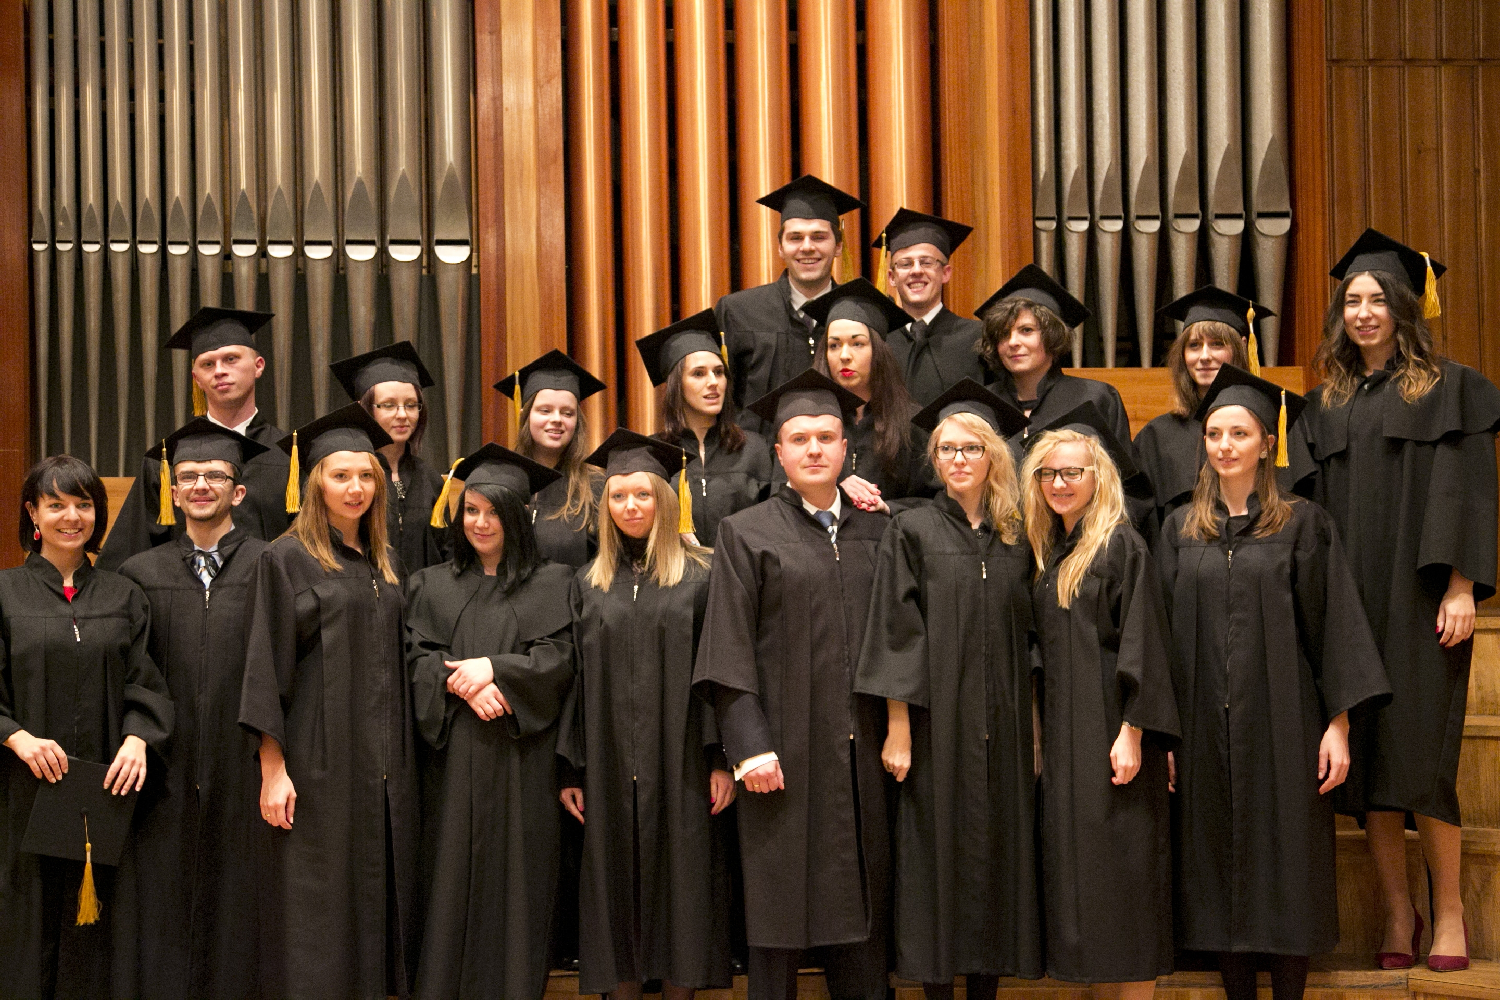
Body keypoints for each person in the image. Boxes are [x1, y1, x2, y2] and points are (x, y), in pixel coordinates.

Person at [1287, 230, 1500, 972]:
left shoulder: (1450, 387)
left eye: (1378, 299)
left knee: (1422, 765)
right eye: (1353, 300)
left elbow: (1469, 490)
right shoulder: (1325, 404)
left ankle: (1451, 912)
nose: (1364, 312)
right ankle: (1398, 910)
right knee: (1373, 764)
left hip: (1419, 601)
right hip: (1350, 603)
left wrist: (1463, 584)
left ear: (1406, 307)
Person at [1158, 366, 1391, 1000]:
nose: (1224, 445)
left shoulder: (1302, 524)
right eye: (1214, 434)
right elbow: (1160, 640)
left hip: (1286, 721)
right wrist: (1165, 734)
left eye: (1240, 433)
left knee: (1288, 863)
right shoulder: (1179, 529)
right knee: (1214, 866)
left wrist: (1338, 724)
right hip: (1201, 726)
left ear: (1267, 443)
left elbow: (1333, 626)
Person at [693, 369, 891, 1000]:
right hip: (781, 752)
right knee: (778, 916)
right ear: (777, 453)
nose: (814, 449)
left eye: (826, 438)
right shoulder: (746, 531)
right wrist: (748, 747)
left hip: (862, 751)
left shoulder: (879, 529)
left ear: (846, 450)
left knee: (862, 914)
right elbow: (727, 647)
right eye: (799, 439)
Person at [855, 379, 1041, 999]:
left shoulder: (1019, 535)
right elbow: (895, 630)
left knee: (998, 855)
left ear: (993, 455)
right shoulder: (911, 529)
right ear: (933, 459)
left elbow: (1035, 639)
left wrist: (1035, 727)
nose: (958, 459)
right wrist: (898, 727)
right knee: (936, 855)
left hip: (1005, 720)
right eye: (946, 449)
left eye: (971, 448)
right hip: (936, 722)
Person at [238, 403, 419, 1000]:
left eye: (366, 475)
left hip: (381, 764)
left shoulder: (384, 563)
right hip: (317, 762)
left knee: (372, 902)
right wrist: (273, 769)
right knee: (317, 910)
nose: (356, 487)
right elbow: (266, 666)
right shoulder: (284, 558)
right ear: (315, 482)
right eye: (341, 475)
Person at [560, 429, 733, 1000]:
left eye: (642, 494)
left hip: (682, 760)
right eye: (617, 496)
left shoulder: (702, 576)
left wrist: (720, 759)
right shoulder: (588, 583)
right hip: (608, 763)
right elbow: (575, 679)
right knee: (613, 887)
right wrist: (573, 768)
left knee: (683, 884)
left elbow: (718, 671)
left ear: (664, 498)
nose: (630, 506)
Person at [405, 443, 576, 1000]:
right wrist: (464, 685)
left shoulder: (556, 582)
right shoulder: (429, 584)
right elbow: (413, 658)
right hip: (451, 761)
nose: (480, 523)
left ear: (521, 515)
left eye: (493, 512)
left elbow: (561, 658)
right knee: (447, 879)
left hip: (521, 760)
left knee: (519, 883)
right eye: (471, 510)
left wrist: (495, 671)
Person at [1, 455, 173, 1000]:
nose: (71, 516)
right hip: (21, 793)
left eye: (83, 504)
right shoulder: (5, 593)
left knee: (98, 930)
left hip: (102, 791)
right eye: (55, 505)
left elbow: (146, 681)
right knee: (25, 924)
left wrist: (138, 738)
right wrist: (17, 737)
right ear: (32, 513)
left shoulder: (124, 595)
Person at [113, 421, 274, 1000]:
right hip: (166, 766)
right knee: (162, 897)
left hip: (244, 762)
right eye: (187, 477)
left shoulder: (273, 565)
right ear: (173, 493)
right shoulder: (139, 574)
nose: (200, 485)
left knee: (243, 901)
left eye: (215, 475)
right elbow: (130, 673)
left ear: (239, 491)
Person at [1020, 414, 1178, 998]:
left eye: (1072, 472)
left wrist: (1133, 729)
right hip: (1068, 738)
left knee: (1124, 878)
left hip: (1113, 731)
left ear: (1098, 476)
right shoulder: (1050, 553)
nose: (1059, 483)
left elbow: (1144, 639)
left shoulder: (1120, 545)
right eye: (1048, 474)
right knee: (1083, 883)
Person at [99, 307, 291, 571]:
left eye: (231, 359)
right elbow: (129, 555)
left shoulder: (290, 456)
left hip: (269, 592)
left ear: (258, 366)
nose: (219, 371)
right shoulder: (165, 460)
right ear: (196, 378)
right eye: (208, 364)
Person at [717, 174, 864, 432]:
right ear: (780, 247)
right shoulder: (738, 312)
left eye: (819, 237)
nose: (807, 247)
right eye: (795, 238)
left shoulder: (860, 314)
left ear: (838, 246)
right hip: (755, 455)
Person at [636, 309, 773, 545]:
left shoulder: (755, 450)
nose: (713, 382)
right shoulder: (652, 455)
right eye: (698, 374)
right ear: (677, 385)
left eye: (719, 372)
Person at [803, 277, 935, 511]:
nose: (844, 355)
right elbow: (780, 494)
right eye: (834, 345)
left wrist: (888, 508)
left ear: (878, 352)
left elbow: (933, 501)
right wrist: (832, 489)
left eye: (857, 344)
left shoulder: (911, 423)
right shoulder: (804, 420)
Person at [1132, 287, 1258, 528]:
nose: (1204, 356)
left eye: (1217, 344)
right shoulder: (1157, 437)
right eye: (1194, 345)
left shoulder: (1265, 426)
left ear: (1242, 346)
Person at [976, 265, 1132, 458]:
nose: (1013, 342)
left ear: (1053, 335)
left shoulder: (1096, 398)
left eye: (1026, 330)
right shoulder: (982, 404)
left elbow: (1120, 473)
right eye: (1003, 334)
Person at [332, 341, 449, 578]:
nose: (403, 415)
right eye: (388, 405)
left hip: (422, 597)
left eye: (411, 405)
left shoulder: (429, 479)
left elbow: (447, 551)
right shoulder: (349, 478)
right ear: (365, 409)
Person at [494, 350, 608, 568]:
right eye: (545, 410)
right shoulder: (501, 480)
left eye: (567, 413)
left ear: (577, 421)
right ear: (526, 415)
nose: (556, 419)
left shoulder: (595, 487)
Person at [872, 208, 988, 405]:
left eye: (927, 262)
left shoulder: (977, 338)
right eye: (905, 264)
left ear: (945, 273)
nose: (916, 271)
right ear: (891, 277)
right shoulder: (878, 340)